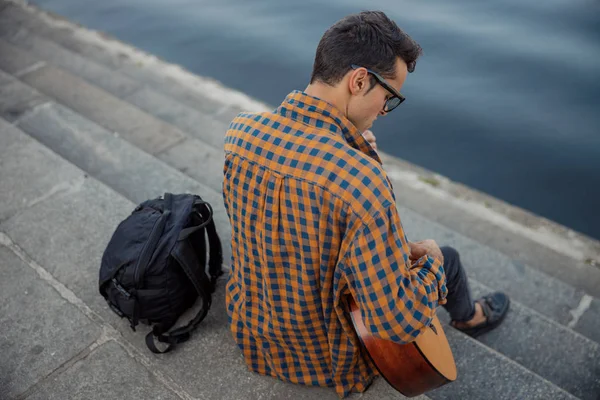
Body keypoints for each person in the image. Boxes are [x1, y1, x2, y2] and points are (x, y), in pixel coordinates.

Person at [222, 10, 510, 398]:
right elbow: (399, 322)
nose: (383, 112)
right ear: (359, 80)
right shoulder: (361, 182)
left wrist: (355, 156)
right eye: (388, 98)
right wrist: (432, 261)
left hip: (256, 338)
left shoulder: (239, 135)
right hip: (328, 361)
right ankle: (471, 317)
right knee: (447, 257)